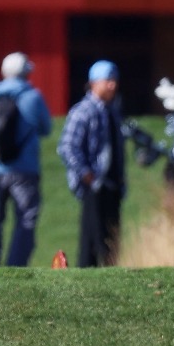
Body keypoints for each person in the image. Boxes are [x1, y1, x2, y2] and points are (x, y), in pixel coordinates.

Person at [57, 60, 137, 268]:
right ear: (94, 83)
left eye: (115, 81)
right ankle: (89, 277)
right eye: (108, 81)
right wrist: (86, 173)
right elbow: (67, 147)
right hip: (94, 185)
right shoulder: (83, 111)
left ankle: (108, 276)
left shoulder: (112, 111)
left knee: (111, 239)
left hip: (113, 185)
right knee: (93, 239)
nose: (113, 85)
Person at [0, 51, 52, 268]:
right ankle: (16, 265)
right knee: (26, 219)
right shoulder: (33, 96)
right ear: (26, 72)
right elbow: (46, 128)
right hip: (25, 169)